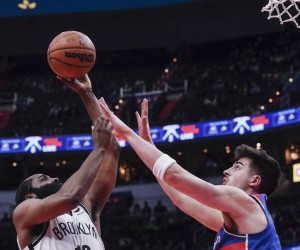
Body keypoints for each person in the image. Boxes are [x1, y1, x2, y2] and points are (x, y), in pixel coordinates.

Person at [99, 97, 282, 249]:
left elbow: (174, 175)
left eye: (238, 167)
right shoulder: (238, 219)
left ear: (255, 180)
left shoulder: (247, 203)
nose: (226, 171)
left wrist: (129, 134)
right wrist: (148, 146)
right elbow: (180, 199)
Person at [13, 75, 120, 250]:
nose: (53, 178)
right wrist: (98, 149)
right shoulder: (25, 212)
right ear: (30, 197)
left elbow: (111, 147)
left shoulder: (87, 206)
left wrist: (86, 93)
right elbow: (70, 197)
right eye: (43, 179)